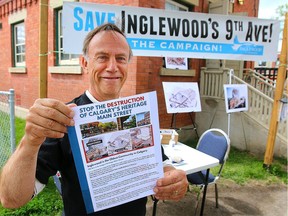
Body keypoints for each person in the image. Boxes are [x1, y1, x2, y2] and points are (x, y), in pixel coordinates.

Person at [0, 23, 188, 215]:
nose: (112, 67)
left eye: (121, 58)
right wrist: (30, 142)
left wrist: (173, 177)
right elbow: (11, 198)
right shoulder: (64, 120)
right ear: (85, 63)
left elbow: (161, 165)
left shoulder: (138, 113)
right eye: (102, 57)